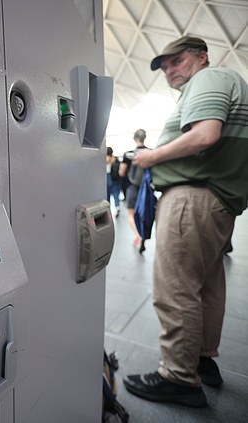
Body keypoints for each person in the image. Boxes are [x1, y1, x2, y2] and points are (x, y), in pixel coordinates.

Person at [123, 35, 248, 408]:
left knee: (175, 288)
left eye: (176, 61)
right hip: (217, 202)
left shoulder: (208, 80)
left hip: (191, 199)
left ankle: (178, 376)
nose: (169, 71)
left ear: (201, 57)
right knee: (207, 288)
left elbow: (205, 134)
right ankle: (201, 360)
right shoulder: (231, 82)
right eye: (164, 66)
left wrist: (152, 157)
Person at [119, 129, 148, 252]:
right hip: (147, 189)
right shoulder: (150, 152)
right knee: (145, 214)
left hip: (132, 188)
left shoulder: (128, 154)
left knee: (131, 214)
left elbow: (121, 172)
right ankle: (144, 235)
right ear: (144, 138)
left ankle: (138, 235)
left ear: (134, 138)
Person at [106, 147, 121, 217]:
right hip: (114, 179)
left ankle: (110, 209)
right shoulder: (116, 159)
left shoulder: (108, 160)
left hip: (110, 178)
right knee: (115, 194)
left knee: (110, 194)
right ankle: (117, 207)